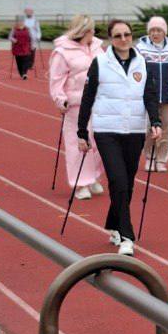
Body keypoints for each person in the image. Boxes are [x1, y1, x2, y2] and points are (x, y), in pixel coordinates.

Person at [76, 18, 162, 255]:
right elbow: (88, 97)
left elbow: (150, 96)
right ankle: (127, 237)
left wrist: (155, 120)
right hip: (107, 131)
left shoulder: (143, 63)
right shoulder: (101, 63)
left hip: (134, 130)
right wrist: (81, 131)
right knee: (118, 180)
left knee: (128, 183)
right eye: (118, 36)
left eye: (127, 34)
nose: (123, 39)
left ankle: (113, 224)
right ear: (110, 39)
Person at [49, 15, 106, 201]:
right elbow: (56, 80)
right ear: (83, 31)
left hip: (100, 102)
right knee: (79, 144)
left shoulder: (98, 47)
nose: (94, 33)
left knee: (101, 142)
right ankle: (81, 183)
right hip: (76, 104)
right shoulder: (62, 52)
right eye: (91, 30)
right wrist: (60, 99)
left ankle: (94, 176)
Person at [137, 16, 168, 172]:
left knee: (167, 128)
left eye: (158, 30)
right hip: (150, 97)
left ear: (164, 32)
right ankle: (150, 157)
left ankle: (161, 160)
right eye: (152, 30)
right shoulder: (140, 48)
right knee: (150, 128)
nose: (155, 33)